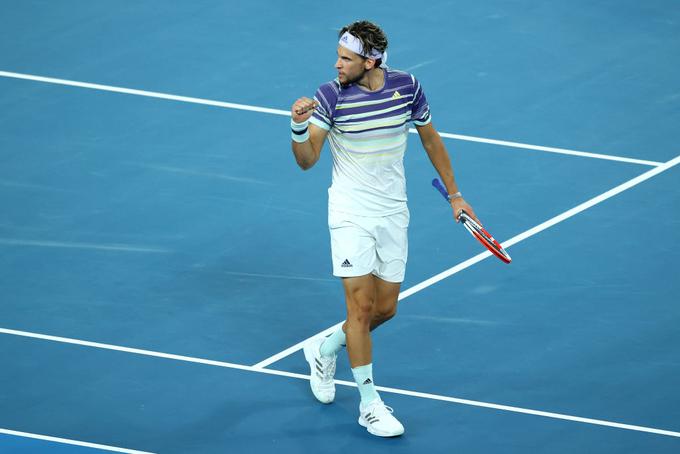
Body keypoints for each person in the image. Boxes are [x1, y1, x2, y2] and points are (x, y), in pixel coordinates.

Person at [290, 20, 478, 437]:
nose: (336, 65)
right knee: (357, 310)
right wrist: (298, 126)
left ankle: (323, 349)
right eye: (338, 56)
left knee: (385, 309)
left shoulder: (407, 87)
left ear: (371, 61)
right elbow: (307, 160)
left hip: (393, 211)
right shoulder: (329, 96)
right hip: (350, 212)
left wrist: (455, 194)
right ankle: (370, 404)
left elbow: (430, 139)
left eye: (346, 58)